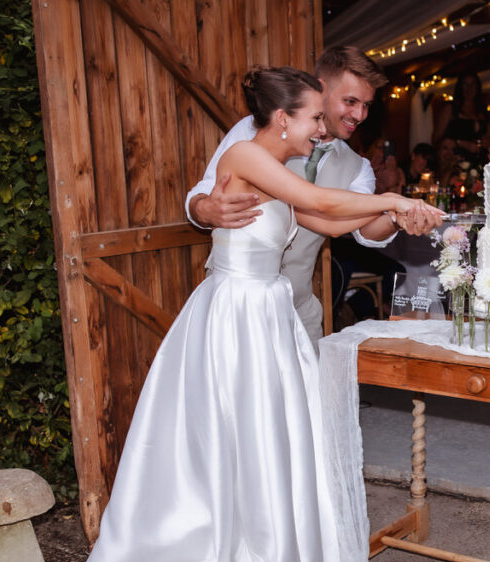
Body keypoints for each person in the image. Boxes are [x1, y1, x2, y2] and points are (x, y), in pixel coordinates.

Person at [36, 67, 442, 562]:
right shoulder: (250, 156)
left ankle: (252, 550)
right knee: (232, 434)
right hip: (235, 312)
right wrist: (395, 195)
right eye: (315, 117)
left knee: (263, 439)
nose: (321, 129)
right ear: (284, 118)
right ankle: (213, 556)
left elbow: (324, 215)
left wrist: (396, 213)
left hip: (268, 311)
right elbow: (314, 196)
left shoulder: (277, 170)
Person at [185, 46, 437, 347]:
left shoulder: (359, 168)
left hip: (295, 306)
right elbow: (318, 200)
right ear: (321, 89)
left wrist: (397, 218)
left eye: (367, 105)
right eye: (350, 101)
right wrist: (204, 209)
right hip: (238, 306)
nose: (359, 115)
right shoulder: (252, 135)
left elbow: (338, 224)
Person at [433, 72, 490, 164]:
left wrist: (487, 143)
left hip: (479, 162)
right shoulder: (450, 108)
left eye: (473, 84)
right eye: (465, 84)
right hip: (456, 162)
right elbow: (436, 140)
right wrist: (461, 143)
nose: (469, 88)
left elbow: (489, 139)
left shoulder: (482, 111)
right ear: (460, 87)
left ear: (477, 87)